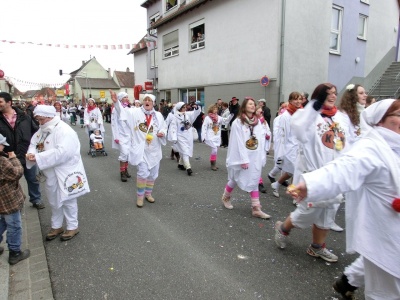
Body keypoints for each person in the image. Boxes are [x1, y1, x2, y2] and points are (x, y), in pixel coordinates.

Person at [287, 99, 400, 300]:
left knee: (376, 261)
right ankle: (289, 231)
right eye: (398, 115)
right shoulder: (373, 146)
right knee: (387, 287)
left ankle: (346, 280)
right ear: (380, 121)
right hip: (385, 232)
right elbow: (346, 166)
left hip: (384, 232)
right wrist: (310, 183)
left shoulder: (342, 120)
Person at [274, 83, 349, 263]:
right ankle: (283, 228)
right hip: (315, 175)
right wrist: (313, 108)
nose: (332, 96)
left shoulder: (340, 117)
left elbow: (347, 142)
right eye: (328, 93)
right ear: (319, 96)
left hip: (335, 175)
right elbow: (299, 129)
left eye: (334, 93)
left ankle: (317, 247)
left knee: (328, 213)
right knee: (306, 212)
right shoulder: (307, 116)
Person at [26, 105, 90, 241]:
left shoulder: (64, 130)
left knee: (68, 199)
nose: (40, 122)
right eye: (38, 120)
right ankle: (57, 225)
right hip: (51, 172)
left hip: (66, 172)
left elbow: (63, 153)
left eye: (42, 119)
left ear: (49, 117)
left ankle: (73, 226)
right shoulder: (42, 130)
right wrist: (32, 153)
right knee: (54, 199)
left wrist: (39, 157)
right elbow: (34, 143)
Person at [110, 91, 167, 208]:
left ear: (153, 103)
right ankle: (140, 197)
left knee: (153, 174)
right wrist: (116, 103)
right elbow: (122, 112)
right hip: (141, 149)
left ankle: (148, 194)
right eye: (145, 100)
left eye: (149, 100)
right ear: (142, 102)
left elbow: (164, 127)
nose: (147, 102)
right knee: (142, 173)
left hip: (155, 149)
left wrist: (162, 132)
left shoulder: (158, 115)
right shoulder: (134, 112)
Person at [221, 97, 271, 219]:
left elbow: (260, 138)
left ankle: (256, 208)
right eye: (250, 104)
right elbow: (237, 142)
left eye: (254, 104)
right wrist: (243, 159)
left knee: (254, 178)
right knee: (236, 177)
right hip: (242, 156)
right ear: (244, 106)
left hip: (255, 156)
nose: (253, 106)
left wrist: (262, 155)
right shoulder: (237, 122)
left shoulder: (258, 122)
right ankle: (226, 197)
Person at [0, 92, 44, 209]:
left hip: (26, 154)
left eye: (0, 102)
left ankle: (36, 199)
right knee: (8, 182)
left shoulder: (25, 117)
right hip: (7, 157)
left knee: (32, 179)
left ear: (9, 103)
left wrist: (37, 149)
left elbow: (36, 133)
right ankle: (13, 204)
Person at [0, 134, 31, 265]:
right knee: (14, 224)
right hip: (6, 198)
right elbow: (17, 173)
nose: (3, 146)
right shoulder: (2, 161)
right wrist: (14, 159)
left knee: (2, 222)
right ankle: (15, 252)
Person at [270, 92, 303, 198]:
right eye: (295, 99)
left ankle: (276, 184)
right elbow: (283, 136)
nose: (298, 101)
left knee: (291, 171)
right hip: (290, 148)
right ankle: (296, 195)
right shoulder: (285, 116)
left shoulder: (301, 113)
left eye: (300, 99)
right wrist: (281, 152)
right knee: (297, 171)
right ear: (290, 101)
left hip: (300, 146)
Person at [168, 101, 201, 175]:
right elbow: (173, 128)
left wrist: (196, 108)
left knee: (185, 150)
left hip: (188, 136)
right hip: (180, 137)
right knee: (185, 151)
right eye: (183, 107)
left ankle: (180, 164)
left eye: (185, 107)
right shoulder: (175, 117)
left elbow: (195, 113)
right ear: (179, 108)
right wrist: (174, 138)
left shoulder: (187, 115)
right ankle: (188, 167)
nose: (185, 108)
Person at [201, 104, 232, 171]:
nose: (216, 110)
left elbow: (225, 121)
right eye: (214, 109)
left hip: (217, 136)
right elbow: (204, 127)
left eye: (216, 109)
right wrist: (203, 136)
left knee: (215, 150)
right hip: (210, 136)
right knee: (214, 149)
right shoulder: (207, 118)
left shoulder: (219, 117)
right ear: (211, 110)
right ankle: (213, 164)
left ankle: (213, 162)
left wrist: (231, 116)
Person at [111, 92, 132, 182]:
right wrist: (116, 136)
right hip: (121, 136)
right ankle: (122, 173)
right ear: (120, 99)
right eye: (124, 97)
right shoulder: (116, 110)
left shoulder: (129, 108)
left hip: (129, 135)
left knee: (128, 154)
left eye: (127, 97)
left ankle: (126, 169)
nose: (127, 98)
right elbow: (114, 124)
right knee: (123, 154)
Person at [255, 104, 272, 193]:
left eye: (262, 111)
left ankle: (255, 179)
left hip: (262, 146)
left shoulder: (264, 122)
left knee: (260, 163)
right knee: (256, 164)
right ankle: (259, 182)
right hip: (255, 147)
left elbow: (268, 131)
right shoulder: (253, 121)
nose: (261, 113)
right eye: (260, 111)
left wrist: (268, 135)